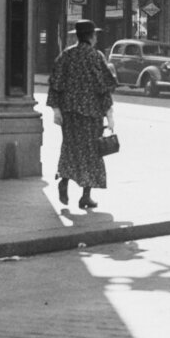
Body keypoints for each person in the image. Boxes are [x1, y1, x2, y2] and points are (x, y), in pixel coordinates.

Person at [49, 20, 116, 209]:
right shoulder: (96, 56)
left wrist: (56, 109)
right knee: (92, 153)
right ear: (92, 37)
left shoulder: (66, 55)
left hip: (69, 112)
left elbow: (55, 82)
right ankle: (85, 196)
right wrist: (109, 113)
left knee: (70, 148)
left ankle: (64, 181)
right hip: (91, 113)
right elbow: (105, 87)